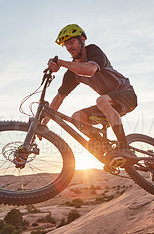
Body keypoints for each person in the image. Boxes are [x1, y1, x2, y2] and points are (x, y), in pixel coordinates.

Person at [42, 24, 138, 165]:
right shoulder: (72, 73)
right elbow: (59, 98)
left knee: (101, 100)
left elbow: (90, 70)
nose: (69, 47)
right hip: (109, 104)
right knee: (77, 117)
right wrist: (43, 124)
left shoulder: (93, 51)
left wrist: (61, 63)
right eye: (65, 45)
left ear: (82, 39)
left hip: (126, 94)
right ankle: (103, 145)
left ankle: (124, 147)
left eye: (71, 42)